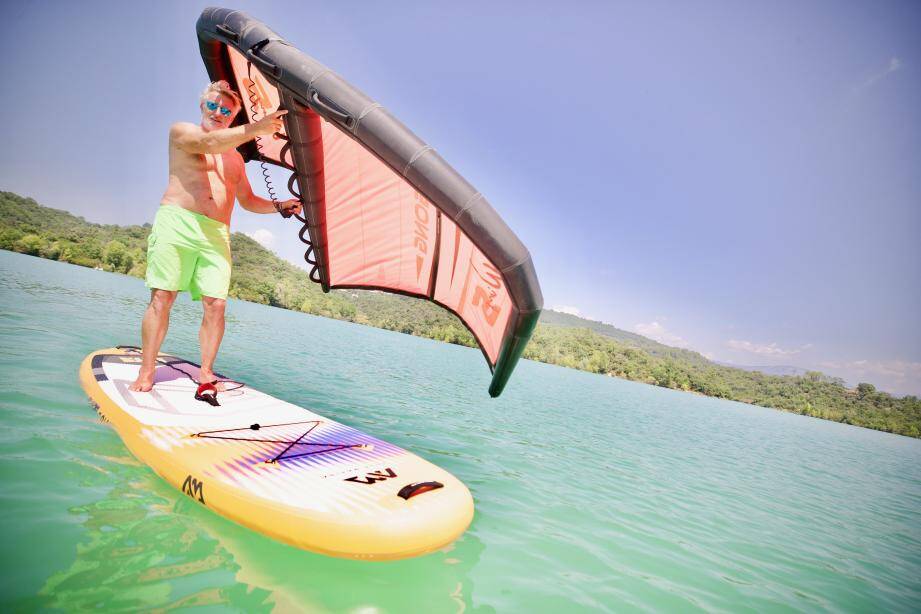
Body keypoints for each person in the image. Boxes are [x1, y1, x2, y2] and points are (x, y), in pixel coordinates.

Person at [129, 81, 300, 395]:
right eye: (213, 106)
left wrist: (280, 205)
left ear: (234, 115)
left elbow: (247, 200)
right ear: (202, 105)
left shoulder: (236, 158)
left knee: (216, 304)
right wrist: (255, 128)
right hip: (177, 222)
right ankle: (147, 369)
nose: (219, 113)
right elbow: (209, 144)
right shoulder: (182, 132)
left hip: (216, 234)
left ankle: (206, 370)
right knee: (163, 298)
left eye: (227, 110)